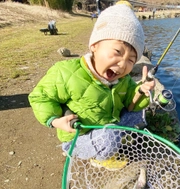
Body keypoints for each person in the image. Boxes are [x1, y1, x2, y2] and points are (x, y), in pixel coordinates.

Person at [28, 4, 155, 170]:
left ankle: (109, 141)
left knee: (139, 115)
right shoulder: (66, 72)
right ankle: (92, 155)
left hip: (107, 123)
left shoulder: (123, 79)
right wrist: (55, 121)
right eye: (117, 51)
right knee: (111, 137)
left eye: (131, 60)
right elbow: (40, 97)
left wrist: (141, 91)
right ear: (94, 45)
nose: (123, 64)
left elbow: (131, 101)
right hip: (78, 136)